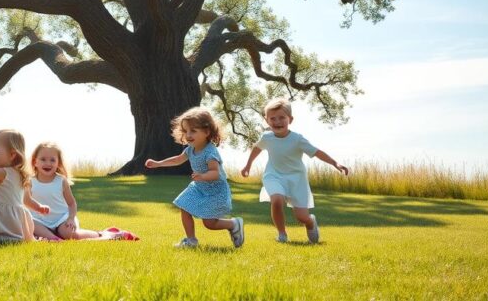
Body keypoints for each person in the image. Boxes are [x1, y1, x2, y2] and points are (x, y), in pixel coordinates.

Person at [241, 97, 350, 244]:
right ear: (267, 121)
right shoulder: (266, 137)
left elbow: (317, 152)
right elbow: (256, 149)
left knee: (301, 217)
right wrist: (248, 165)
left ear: (290, 119)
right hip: (273, 176)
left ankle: (310, 222)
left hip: (296, 179)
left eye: (282, 118)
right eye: (273, 118)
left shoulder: (297, 139)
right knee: (277, 200)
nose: (277, 122)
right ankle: (282, 234)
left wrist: (335, 163)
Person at [146, 107, 244, 248]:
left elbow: (215, 173)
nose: (188, 135)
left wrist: (203, 176)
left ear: (206, 132)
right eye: (186, 131)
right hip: (199, 187)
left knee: (209, 223)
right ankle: (191, 240)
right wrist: (158, 163)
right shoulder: (190, 149)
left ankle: (234, 224)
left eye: (193, 130)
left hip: (215, 191)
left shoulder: (210, 152)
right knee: (184, 206)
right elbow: (177, 160)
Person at [29, 142, 133, 241]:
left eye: (52, 160)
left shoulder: (61, 181)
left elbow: (72, 203)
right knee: (31, 224)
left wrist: (70, 219)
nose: (48, 163)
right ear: (35, 162)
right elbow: (25, 202)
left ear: (58, 163)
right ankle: (54, 239)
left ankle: (101, 234)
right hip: (40, 221)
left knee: (70, 234)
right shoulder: (29, 182)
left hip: (61, 219)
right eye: (43, 159)